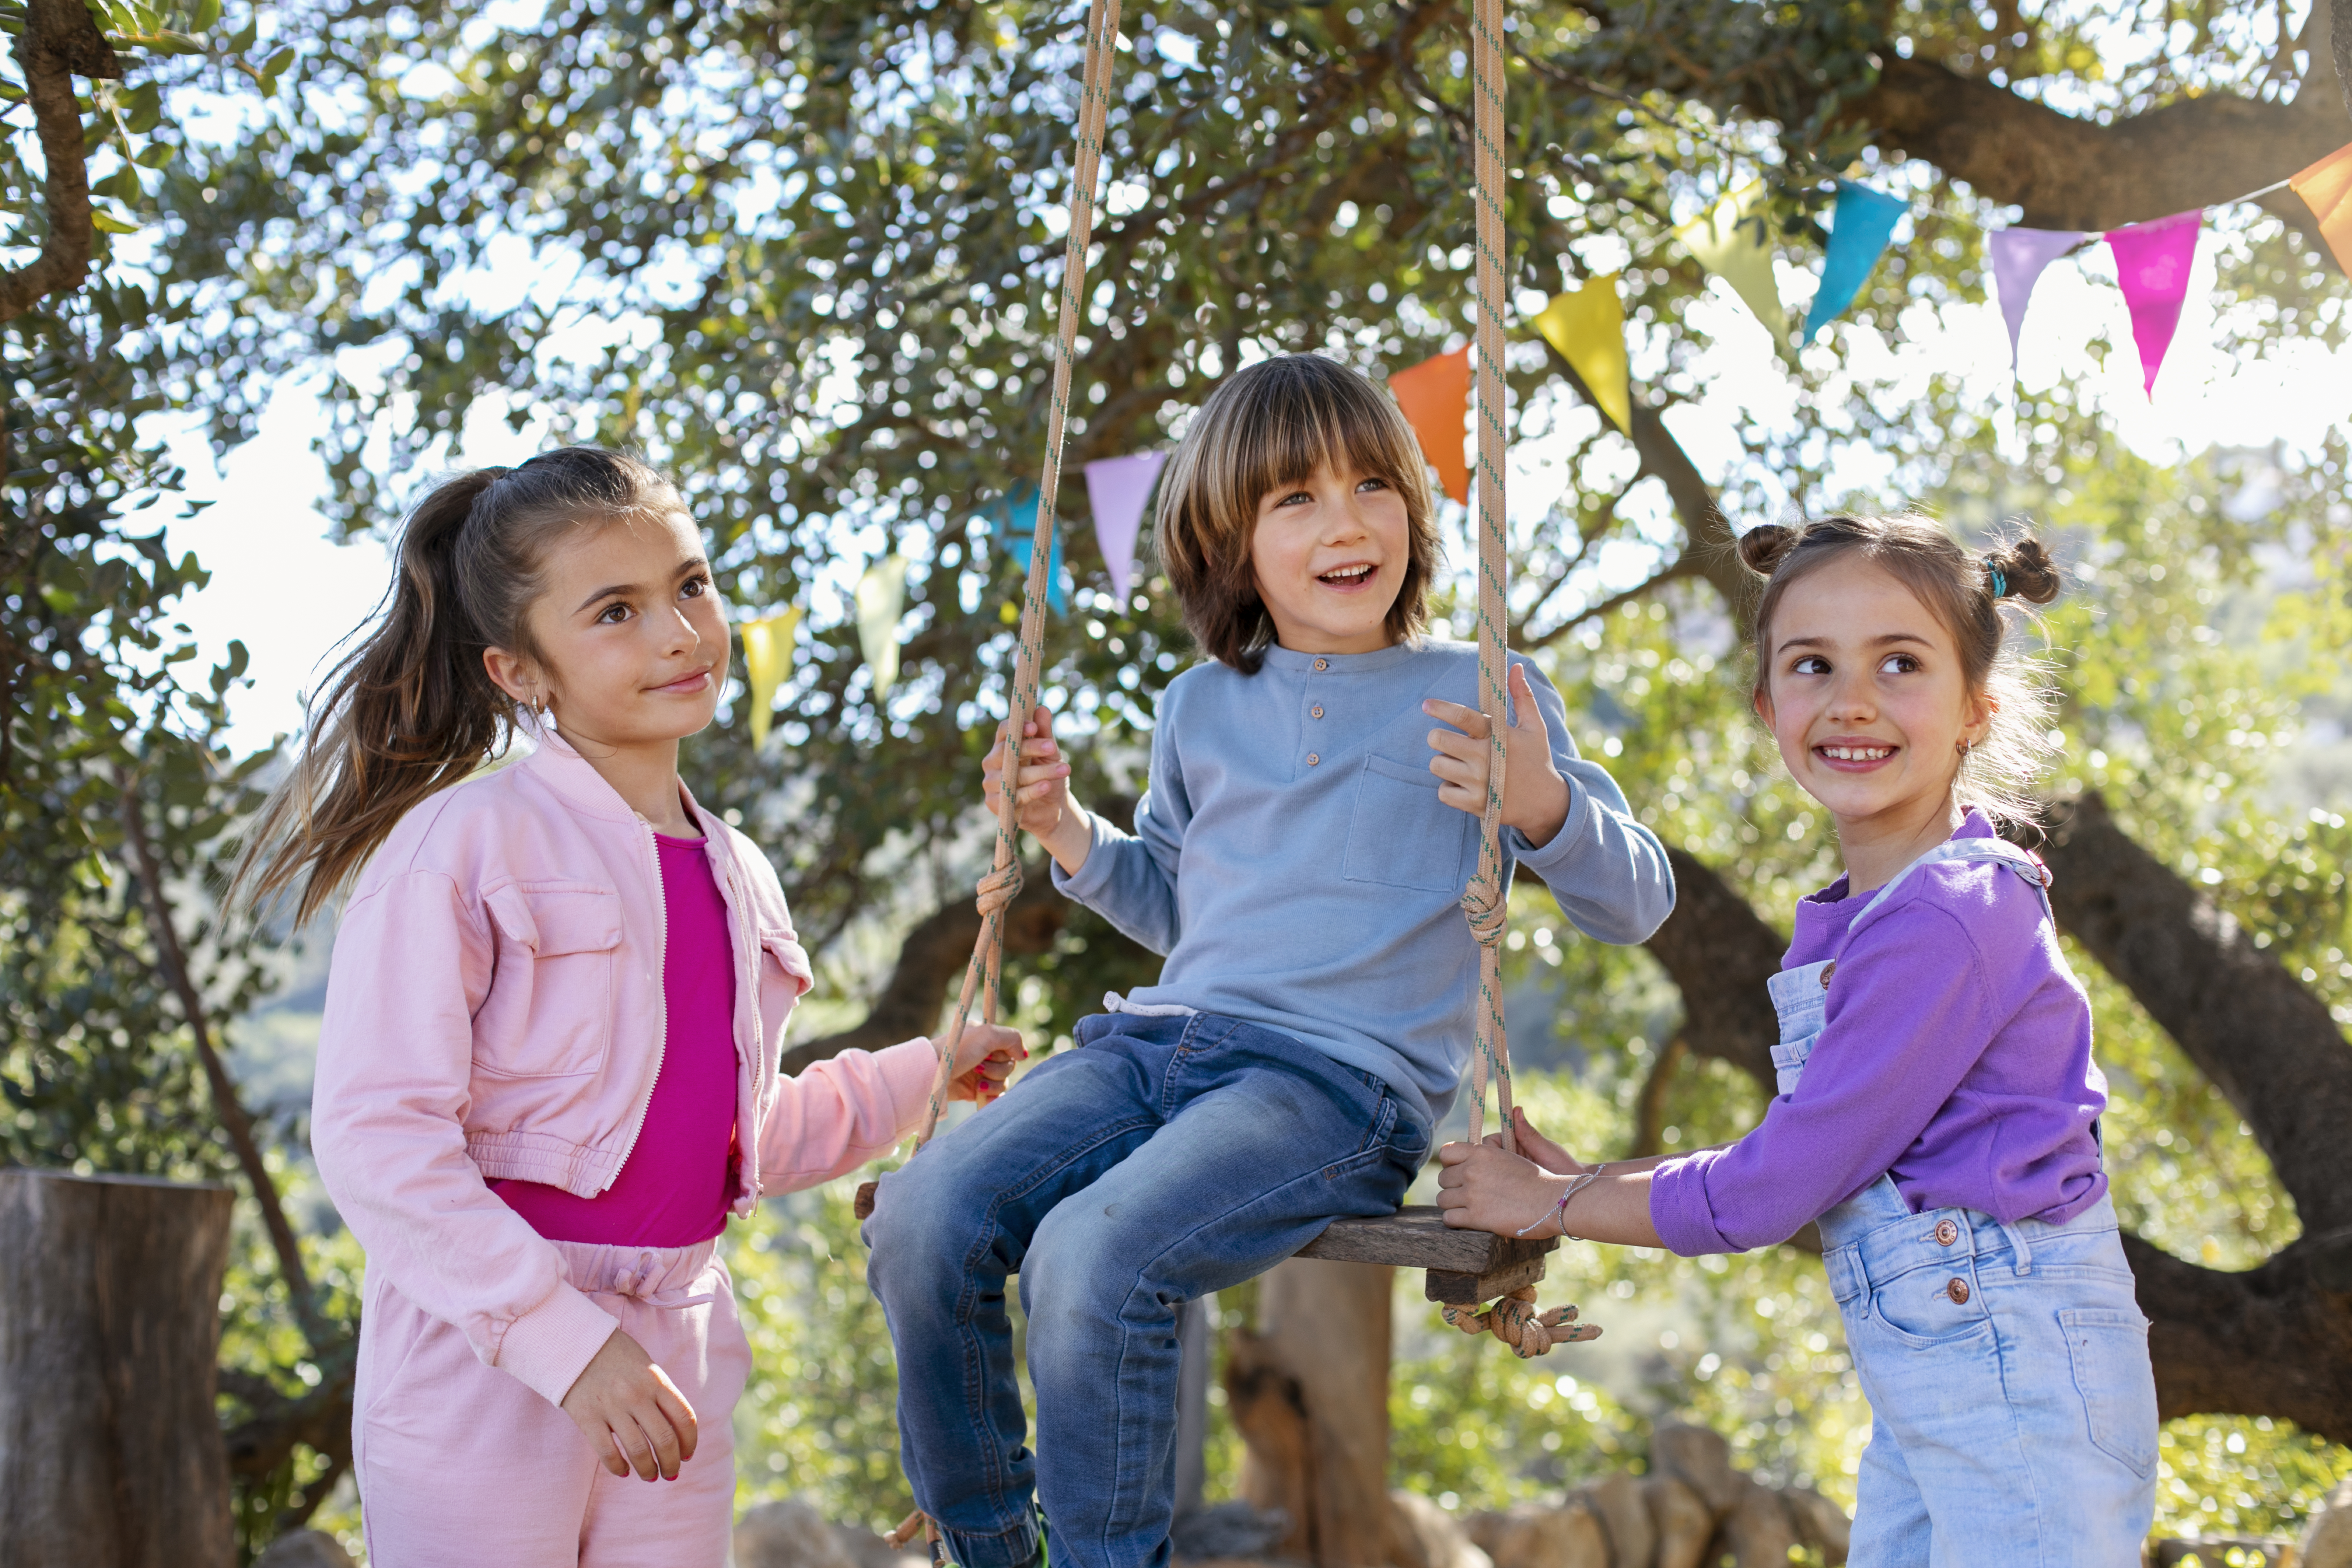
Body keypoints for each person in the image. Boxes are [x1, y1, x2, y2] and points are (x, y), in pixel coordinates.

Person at [865, 354, 1676, 1568]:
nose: (1344, 521)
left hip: (1332, 1088)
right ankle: (988, 1544)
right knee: (925, 1212)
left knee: (1095, 1250)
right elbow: (1184, 907)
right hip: (1157, 1044)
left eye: (1369, 485)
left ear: (1414, 505)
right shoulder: (1198, 705)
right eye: (1293, 499)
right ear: (1228, 542)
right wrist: (1063, 831)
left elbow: (1637, 901)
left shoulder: (1478, 688)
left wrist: (1542, 803)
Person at [235, 448, 1020, 1568]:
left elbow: (734, 1134)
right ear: (521, 672)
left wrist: (924, 1074)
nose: (678, 634)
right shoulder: (460, 847)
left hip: (678, 1354)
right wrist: (564, 1345)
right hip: (489, 1360)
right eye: (617, 611)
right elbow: (378, 1139)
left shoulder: (739, 870)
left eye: (692, 586)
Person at [1437, 513, 2159, 1564]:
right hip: (1949, 1371)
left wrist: (1556, 1203)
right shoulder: (1868, 916)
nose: (1852, 700)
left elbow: (1775, 1190)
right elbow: (1803, 1147)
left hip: (2016, 1368)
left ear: (1976, 710)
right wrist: (1592, 1174)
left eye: (1900, 664)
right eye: (1813, 665)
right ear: (1769, 706)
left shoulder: (1951, 917)